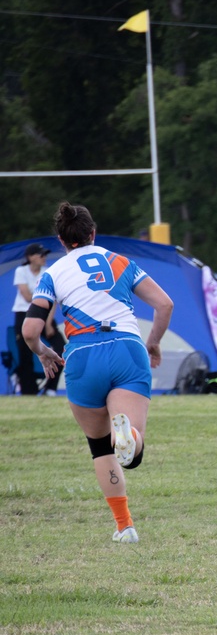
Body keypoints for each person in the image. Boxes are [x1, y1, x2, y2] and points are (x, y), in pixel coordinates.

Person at [21, 202, 174, 543]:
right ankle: (129, 437)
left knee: (100, 449)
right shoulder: (119, 261)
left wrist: (45, 353)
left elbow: (30, 331)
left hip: (82, 355)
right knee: (132, 452)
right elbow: (165, 304)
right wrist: (152, 343)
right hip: (126, 349)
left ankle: (125, 527)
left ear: (62, 240)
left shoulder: (53, 273)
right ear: (93, 234)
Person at [11, 243, 65, 395]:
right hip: (23, 315)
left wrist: (48, 323)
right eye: (41, 255)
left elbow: (52, 300)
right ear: (30, 257)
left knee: (61, 348)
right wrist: (43, 297)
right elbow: (27, 296)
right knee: (24, 354)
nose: (44, 257)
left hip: (45, 315)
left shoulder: (47, 272)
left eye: (45, 254)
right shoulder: (21, 271)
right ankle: (29, 391)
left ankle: (51, 389)